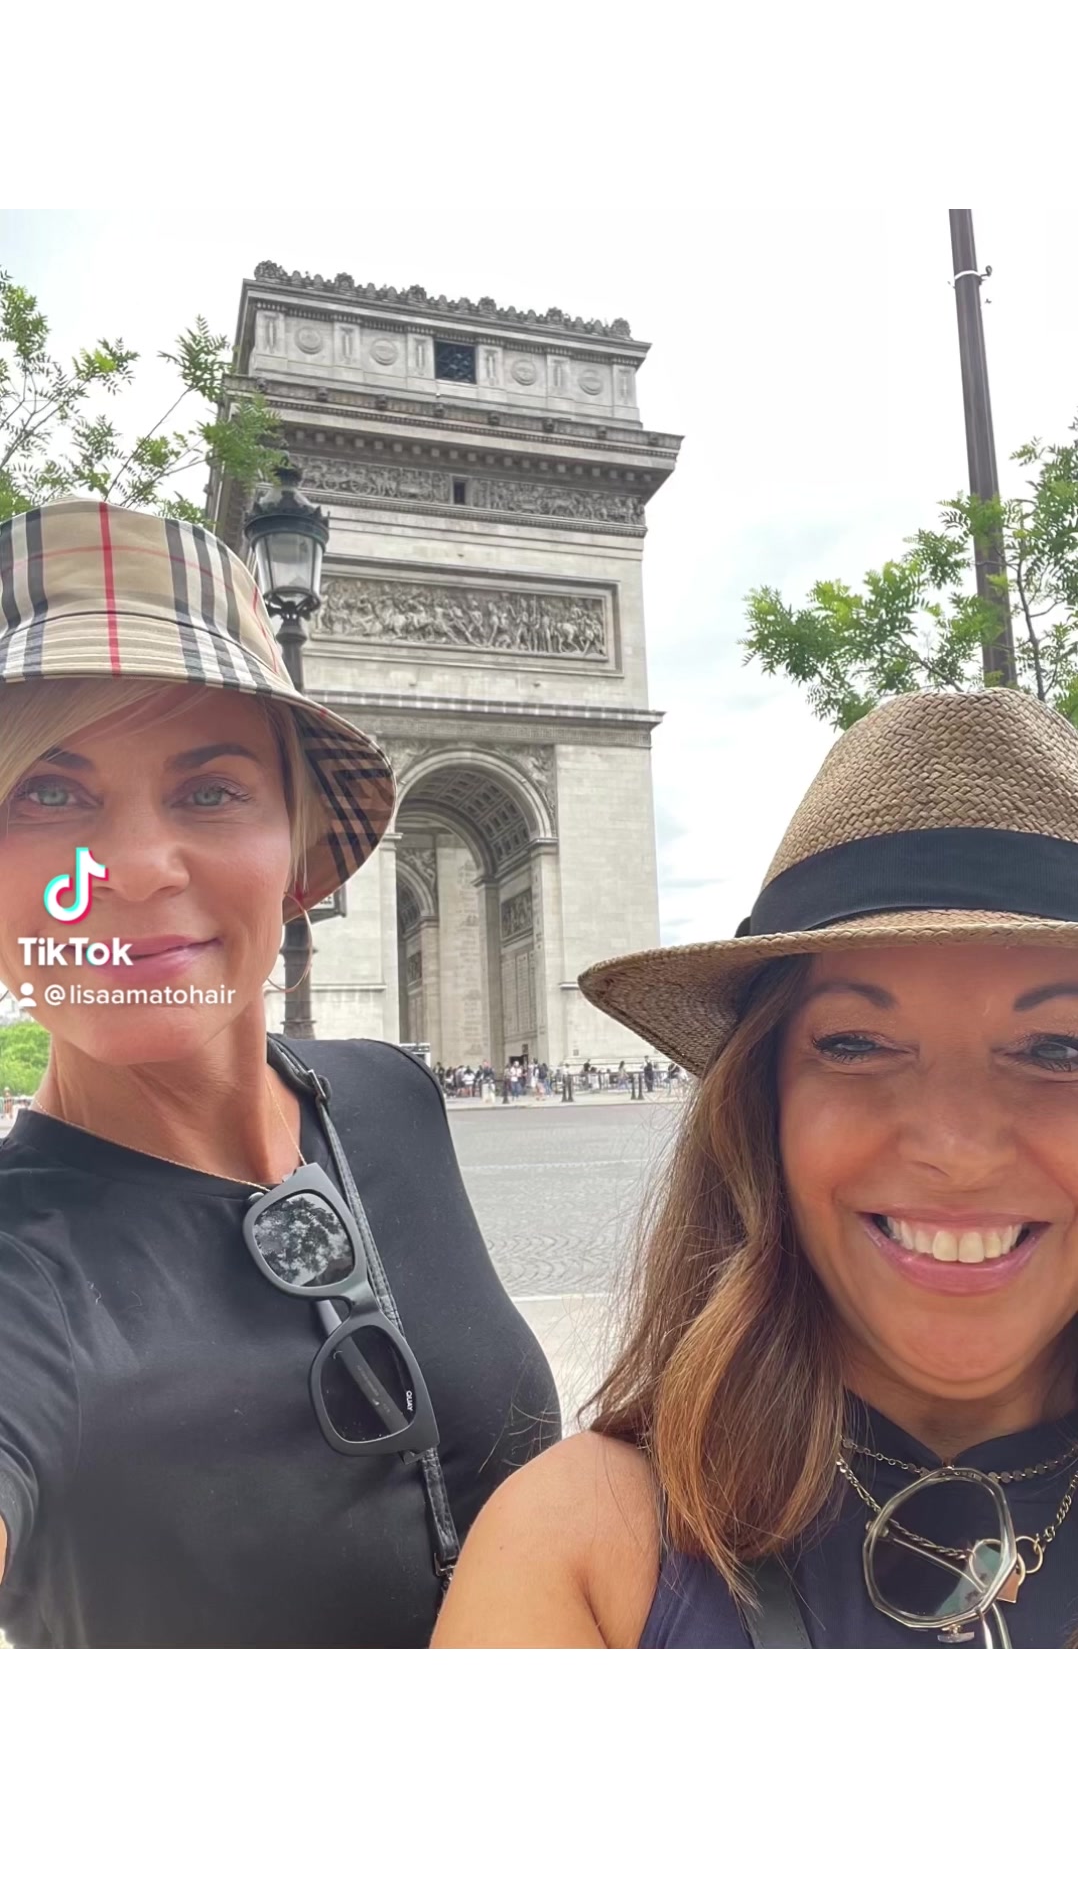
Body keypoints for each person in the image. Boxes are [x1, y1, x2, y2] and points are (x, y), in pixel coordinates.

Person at [0, 498, 559, 1649]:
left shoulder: (391, 1093)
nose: (138, 867)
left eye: (209, 790)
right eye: (49, 793)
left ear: (297, 850)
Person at [433, 689, 1078, 1648]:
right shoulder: (570, 1545)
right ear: (758, 1103)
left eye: (1060, 1049)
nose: (956, 1149)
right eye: (857, 1045)